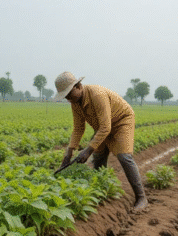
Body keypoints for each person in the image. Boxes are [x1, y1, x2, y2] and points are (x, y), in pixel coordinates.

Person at [56, 71, 148, 212]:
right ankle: (100, 191)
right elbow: (78, 128)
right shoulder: (75, 103)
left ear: (78, 86)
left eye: (69, 94)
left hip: (121, 121)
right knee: (98, 157)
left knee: (124, 157)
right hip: (103, 126)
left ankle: (141, 198)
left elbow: (106, 127)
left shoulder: (97, 95)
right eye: (66, 97)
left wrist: (87, 150)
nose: (69, 99)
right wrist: (68, 155)